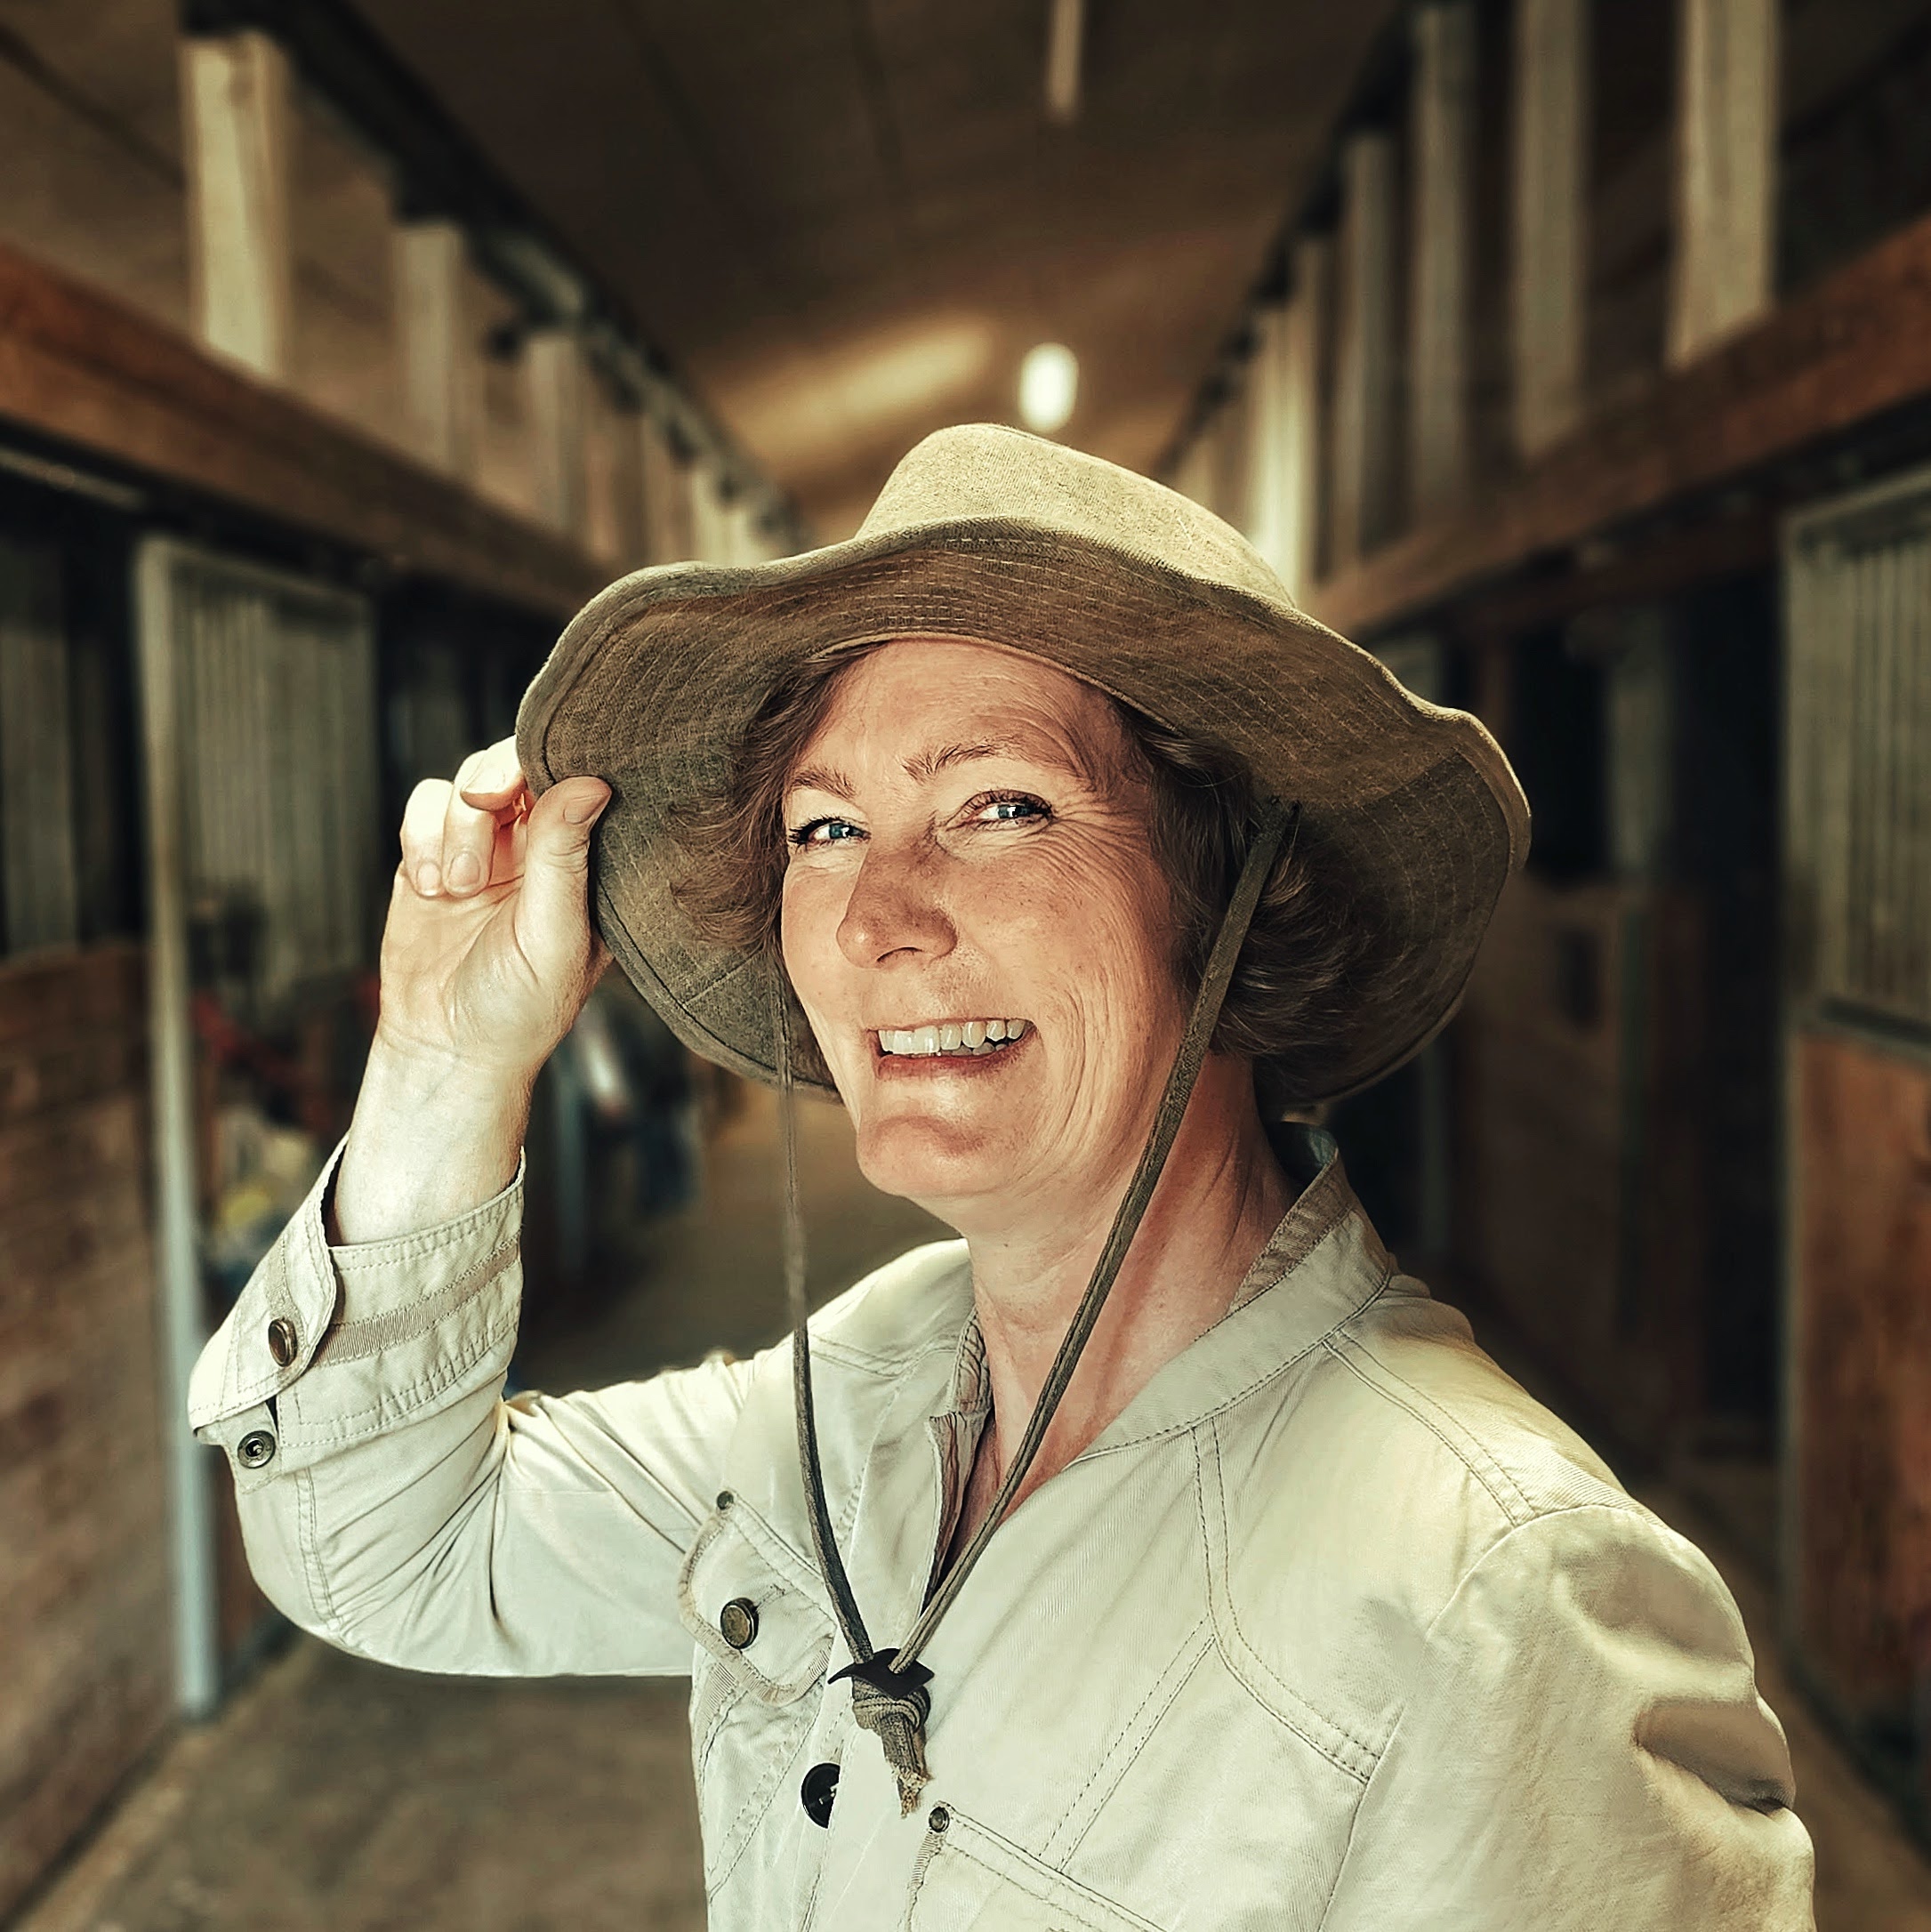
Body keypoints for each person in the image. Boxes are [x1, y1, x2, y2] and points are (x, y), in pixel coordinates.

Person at [190, 424, 1816, 1928]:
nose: (880, 917)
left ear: (1232, 895)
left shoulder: (1498, 1592)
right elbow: (382, 1548)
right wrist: (445, 1060)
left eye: (1001, 806)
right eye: (824, 829)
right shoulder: (860, 1400)